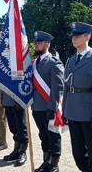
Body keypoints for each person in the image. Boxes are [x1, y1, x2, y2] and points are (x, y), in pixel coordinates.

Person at [62, 22, 92, 172]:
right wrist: (64, 111)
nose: (74, 39)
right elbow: (67, 87)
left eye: (78, 36)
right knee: (78, 154)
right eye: (73, 36)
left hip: (89, 115)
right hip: (73, 113)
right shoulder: (71, 60)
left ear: (87, 37)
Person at [32, 31, 64, 172]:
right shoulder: (34, 63)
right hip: (37, 107)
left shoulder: (53, 62)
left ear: (47, 44)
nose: (36, 45)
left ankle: (54, 164)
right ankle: (46, 161)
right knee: (43, 135)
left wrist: (53, 107)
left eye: (39, 42)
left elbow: (58, 87)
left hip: (48, 107)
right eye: (35, 43)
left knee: (53, 135)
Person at [1, 91, 28, 167]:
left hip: (18, 99)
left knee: (21, 127)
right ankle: (17, 150)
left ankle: (23, 152)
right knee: (13, 127)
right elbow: (3, 82)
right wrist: (2, 96)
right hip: (7, 100)